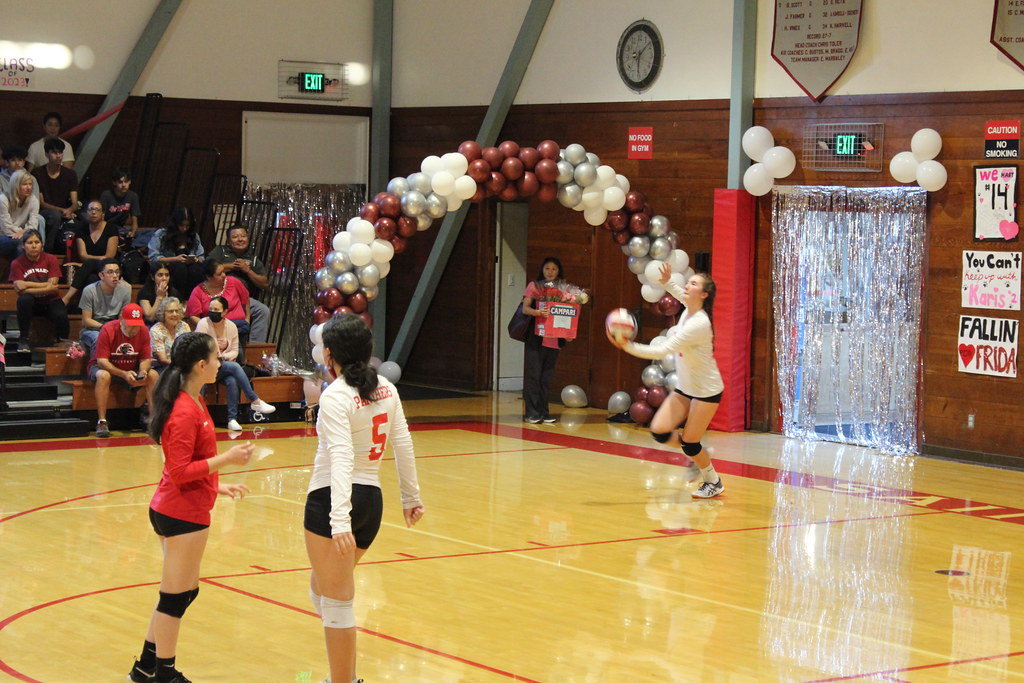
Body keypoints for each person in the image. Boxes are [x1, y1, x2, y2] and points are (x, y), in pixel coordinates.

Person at [127, 332, 254, 683]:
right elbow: (180, 471)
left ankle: (145, 666)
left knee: (184, 591)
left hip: (180, 506)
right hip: (180, 513)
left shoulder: (192, 400)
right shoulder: (184, 409)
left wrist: (218, 484)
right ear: (201, 365)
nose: (220, 363)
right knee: (174, 596)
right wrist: (225, 459)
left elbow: (191, 465)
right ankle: (164, 673)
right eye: (216, 358)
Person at [304, 313, 424, 683]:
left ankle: (345, 680)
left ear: (328, 354)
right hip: (372, 501)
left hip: (332, 500)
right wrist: (410, 496)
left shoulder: (336, 395)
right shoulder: (387, 387)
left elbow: (341, 457)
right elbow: (402, 443)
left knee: (337, 602)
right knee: (322, 589)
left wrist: (339, 520)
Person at [607, 264, 726, 499]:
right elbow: (681, 295)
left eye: (694, 283)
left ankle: (713, 481)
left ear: (704, 295)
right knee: (660, 431)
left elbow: (663, 350)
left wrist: (627, 346)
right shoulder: (690, 308)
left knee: (691, 443)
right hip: (686, 387)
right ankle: (700, 455)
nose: (688, 285)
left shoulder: (698, 323)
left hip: (706, 390)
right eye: (689, 282)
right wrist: (667, 282)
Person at [194, 296, 275, 431]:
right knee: (235, 366)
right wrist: (218, 355)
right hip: (206, 366)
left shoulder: (231, 326)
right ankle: (254, 400)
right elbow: (201, 349)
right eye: (211, 309)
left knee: (232, 380)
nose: (213, 312)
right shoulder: (203, 324)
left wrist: (222, 356)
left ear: (225, 312)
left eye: (216, 309)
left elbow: (235, 351)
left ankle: (232, 419)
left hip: (221, 365)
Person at [87, 303, 160, 438]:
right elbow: (102, 361)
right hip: (106, 367)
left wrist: (143, 372)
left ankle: (153, 420)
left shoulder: (143, 330)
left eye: (137, 324)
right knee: (103, 376)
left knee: (153, 375)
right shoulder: (108, 329)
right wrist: (123, 374)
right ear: (121, 320)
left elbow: (145, 359)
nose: (133, 328)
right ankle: (102, 421)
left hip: (130, 368)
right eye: (131, 324)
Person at [521, 256, 567, 424]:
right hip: (536, 339)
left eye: (554, 269)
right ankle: (531, 413)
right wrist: (538, 313)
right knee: (533, 376)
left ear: (558, 271)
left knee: (546, 378)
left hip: (554, 340)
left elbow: (567, 313)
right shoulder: (535, 286)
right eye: (547, 268)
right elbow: (525, 309)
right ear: (542, 269)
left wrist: (568, 332)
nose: (550, 272)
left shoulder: (563, 289)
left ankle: (543, 412)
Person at [206, 224, 270, 343]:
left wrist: (248, 270)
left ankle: (254, 351)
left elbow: (264, 284)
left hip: (243, 299)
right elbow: (206, 267)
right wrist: (229, 266)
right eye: (235, 237)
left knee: (262, 310)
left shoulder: (253, 259)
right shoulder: (220, 251)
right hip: (220, 296)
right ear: (228, 241)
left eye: (243, 236)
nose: (240, 239)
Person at [9, 229, 68, 351]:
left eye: (37, 242)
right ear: (23, 246)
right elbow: (19, 288)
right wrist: (45, 286)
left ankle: (62, 340)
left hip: (50, 301)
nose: (34, 246)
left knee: (61, 315)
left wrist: (27, 285)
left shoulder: (51, 259)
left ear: (42, 244)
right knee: (24, 300)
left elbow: (54, 286)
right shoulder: (17, 263)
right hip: (32, 305)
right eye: (30, 243)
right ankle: (24, 339)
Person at [61, 200, 119, 307]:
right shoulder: (81, 229)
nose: (93, 212)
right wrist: (89, 261)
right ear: (86, 213)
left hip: (108, 267)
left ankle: (67, 298)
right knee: (91, 279)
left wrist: (87, 262)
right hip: (91, 269)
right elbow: (83, 255)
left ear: (103, 214)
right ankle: (88, 309)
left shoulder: (111, 229)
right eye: (91, 209)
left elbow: (109, 256)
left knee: (89, 264)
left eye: (97, 210)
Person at [31, 138, 80, 253]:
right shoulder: (37, 173)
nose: (58, 156)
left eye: (60, 152)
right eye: (54, 152)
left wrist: (69, 210)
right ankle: (48, 250)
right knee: (55, 216)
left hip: (65, 210)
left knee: (82, 220)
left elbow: (75, 202)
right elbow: (42, 203)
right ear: (46, 154)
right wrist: (62, 210)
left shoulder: (70, 174)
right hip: (45, 211)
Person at [185, 258, 251, 339]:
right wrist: (209, 328)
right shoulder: (198, 291)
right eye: (219, 274)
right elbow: (193, 316)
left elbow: (246, 298)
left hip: (238, 327)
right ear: (209, 277)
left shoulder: (234, 282)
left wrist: (247, 318)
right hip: (213, 331)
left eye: (223, 271)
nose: (224, 275)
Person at [79, 258, 133, 355]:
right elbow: (86, 320)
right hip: (93, 328)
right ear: (101, 275)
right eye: (110, 272)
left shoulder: (126, 289)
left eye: (117, 272)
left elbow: (123, 316)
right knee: (99, 338)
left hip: (115, 326)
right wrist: (105, 327)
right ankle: (95, 368)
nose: (115, 276)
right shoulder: (89, 290)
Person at [147, 207, 205, 295]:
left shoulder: (194, 236)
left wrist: (196, 260)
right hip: (169, 265)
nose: (185, 228)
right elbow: (153, 257)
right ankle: (178, 298)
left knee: (196, 269)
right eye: (182, 225)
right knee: (180, 268)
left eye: (187, 226)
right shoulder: (161, 234)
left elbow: (201, 256)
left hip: (190, 268)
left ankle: (192, 298)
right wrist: (175, 259)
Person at [100, 167, 148, 249]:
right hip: (108, 227)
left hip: (122, 229)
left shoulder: (133, 196)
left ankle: (128, 245)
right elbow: (101, 219)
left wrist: (132, 233)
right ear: (114, 183)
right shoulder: (106, 195)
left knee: (150, 233)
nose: (123, 185)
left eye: (126, 182)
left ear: (130, 182)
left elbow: (135, 220)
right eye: (120, 182)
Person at [0, 170, 39, 260]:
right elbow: (7, 228)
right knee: (24, 243)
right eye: (24, 184)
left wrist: (24, 232)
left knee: (33, 243)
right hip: (2, 236)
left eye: (30, 184)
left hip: (19, 236)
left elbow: (34, 226)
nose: (29, 187)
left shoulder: (33, 200)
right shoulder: (3, 200)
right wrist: (24, 232)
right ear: (16, 185)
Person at [149, 297, 190, 373]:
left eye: (177, 311)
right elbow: (162, 360)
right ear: (163, 313)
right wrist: (181, 366)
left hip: (182, 366)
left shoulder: (184, 326)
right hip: (162, 367)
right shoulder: (156, 330)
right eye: (171, 311)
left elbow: (189, 351)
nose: (175, 314)